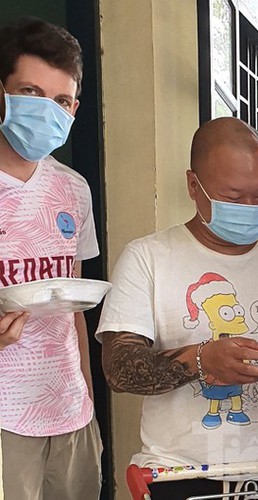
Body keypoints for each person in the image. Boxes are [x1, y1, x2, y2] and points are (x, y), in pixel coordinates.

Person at [97, 117, 258, 499]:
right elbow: (118, 368)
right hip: (179, 478)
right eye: (234, 197)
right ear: (193, 186)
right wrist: (201, 360)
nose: (251, 207)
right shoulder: (148, 258)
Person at [0, 17, 103, 500]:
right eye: (30, 92)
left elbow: (73, 309)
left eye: (61, 101)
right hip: (6, 420)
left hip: (71, 413)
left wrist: (88, 398)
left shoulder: (72, 188)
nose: (47, 111)